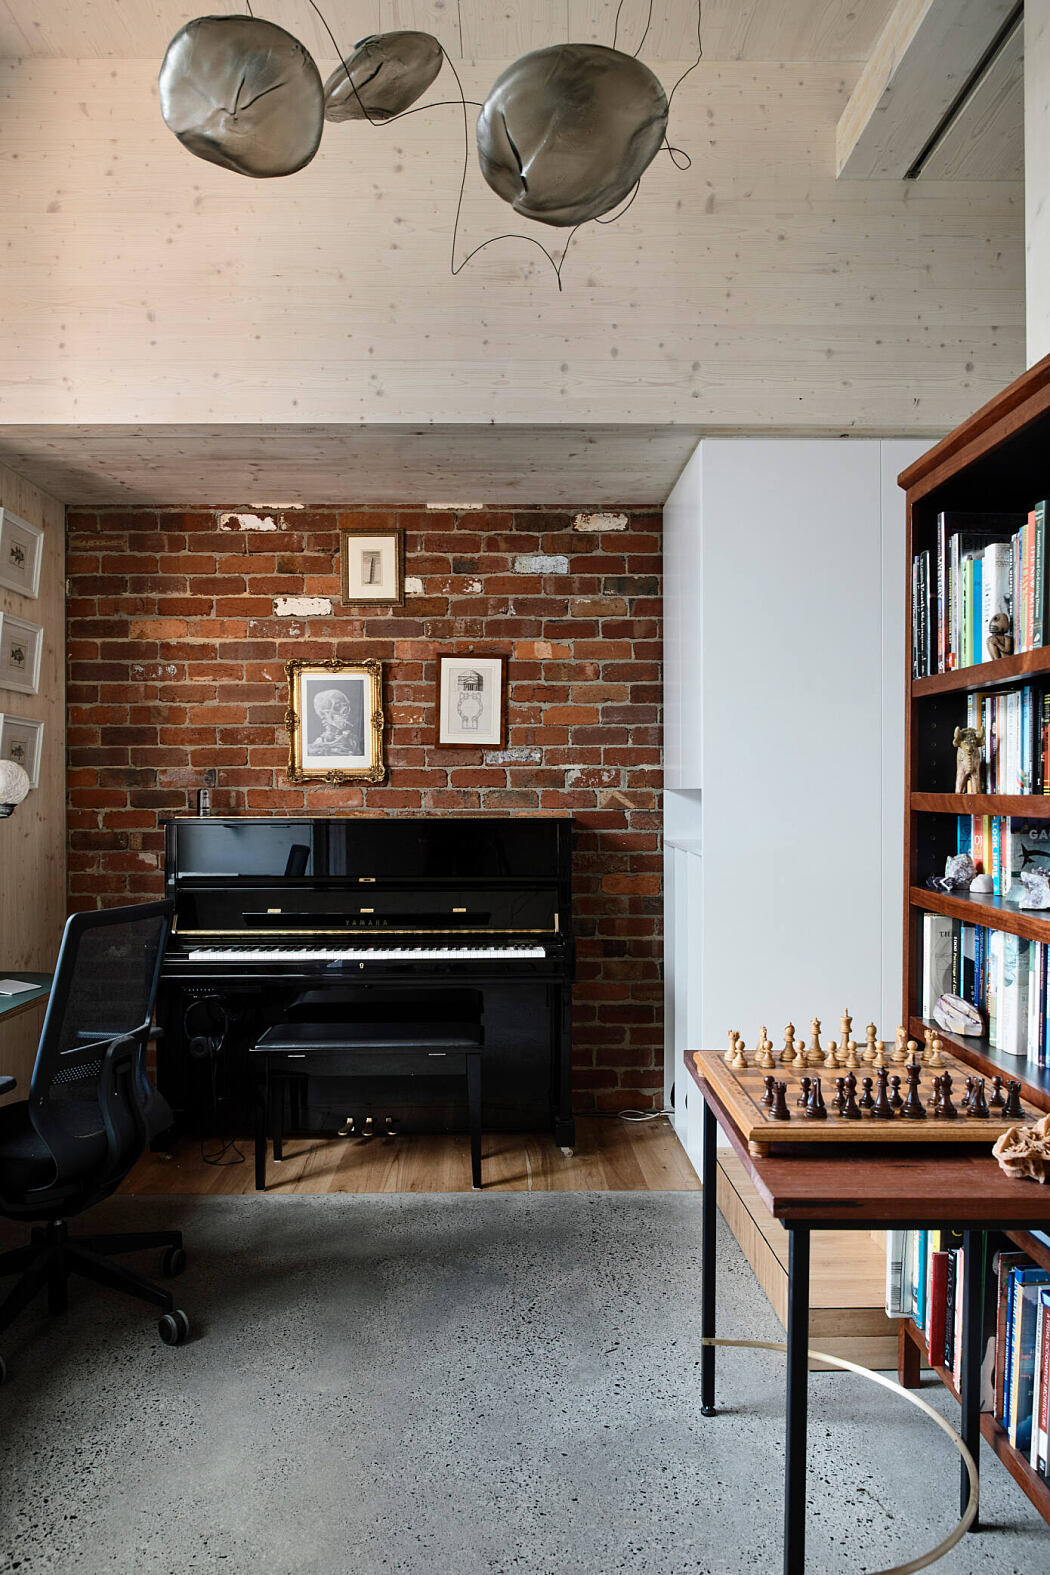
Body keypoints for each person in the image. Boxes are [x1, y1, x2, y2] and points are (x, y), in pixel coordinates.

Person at [310, 685, 363, 756]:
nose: (344, 711)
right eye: (337, 706)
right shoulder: (317, 746)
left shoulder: (352, 740)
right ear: (323, 714)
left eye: (345, 706)